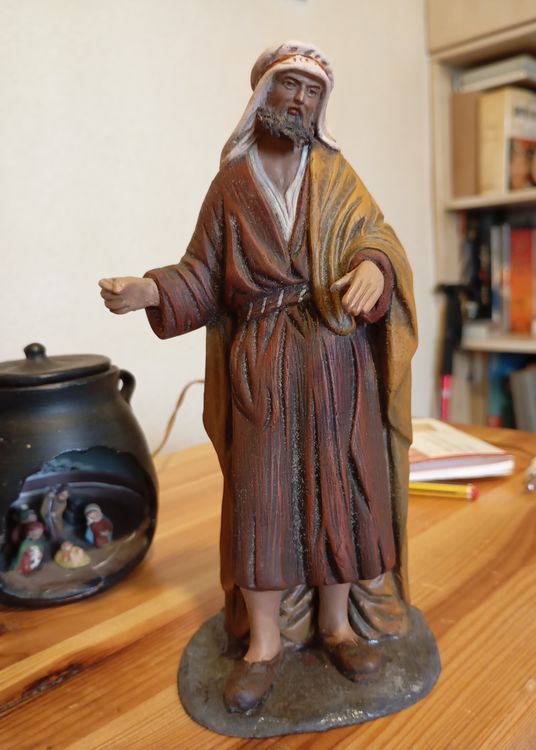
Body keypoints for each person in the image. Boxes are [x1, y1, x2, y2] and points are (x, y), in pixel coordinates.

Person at [100, 41, 417, 712]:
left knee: (339, 495)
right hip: (262, 362)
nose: (299, 99)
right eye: (288, 85)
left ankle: (336, 626)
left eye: (311, 90)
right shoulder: (232, 185)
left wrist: (374, 267)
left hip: (335, 354)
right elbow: (202, 274)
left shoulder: (335, 173)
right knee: (260, 502)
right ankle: (264, 645)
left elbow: (377, 236)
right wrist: (150, 291)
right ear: (261, 93)